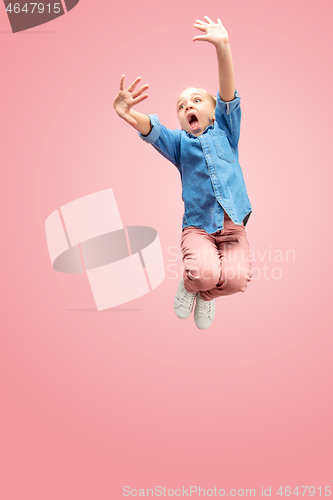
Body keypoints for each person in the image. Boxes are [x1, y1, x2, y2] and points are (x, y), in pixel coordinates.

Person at [113, 16, 253, 330]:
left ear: (213, 108)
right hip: (198, 229)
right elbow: (153, 129)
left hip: (233, 227)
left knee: (235, 281)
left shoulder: (226, 130)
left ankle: (205, 297)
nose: (187, 105)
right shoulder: (178, 143)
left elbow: (228, 93)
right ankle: (192, 285)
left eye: (196, 100)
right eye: (180, 105)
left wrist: (223, 46)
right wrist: (128, 114)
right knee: (204, 272)